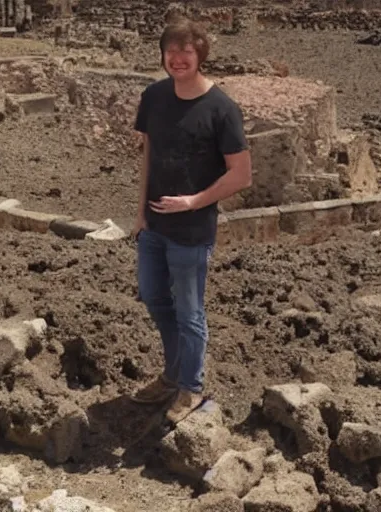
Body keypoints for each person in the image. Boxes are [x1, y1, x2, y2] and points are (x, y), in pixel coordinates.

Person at [130, 17, 252, 424]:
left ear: (200, 56)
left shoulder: (222, 109)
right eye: (171, 51)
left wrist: (195, 201)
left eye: (186, 52)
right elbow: (148, 153)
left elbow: (241, 174)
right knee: (152, 297)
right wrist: (140, 211)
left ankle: (191, 387)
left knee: (189, 312)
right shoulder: (153, 97)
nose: (178, 59)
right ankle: (172, 374)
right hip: (154, 225)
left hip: (191, 231)